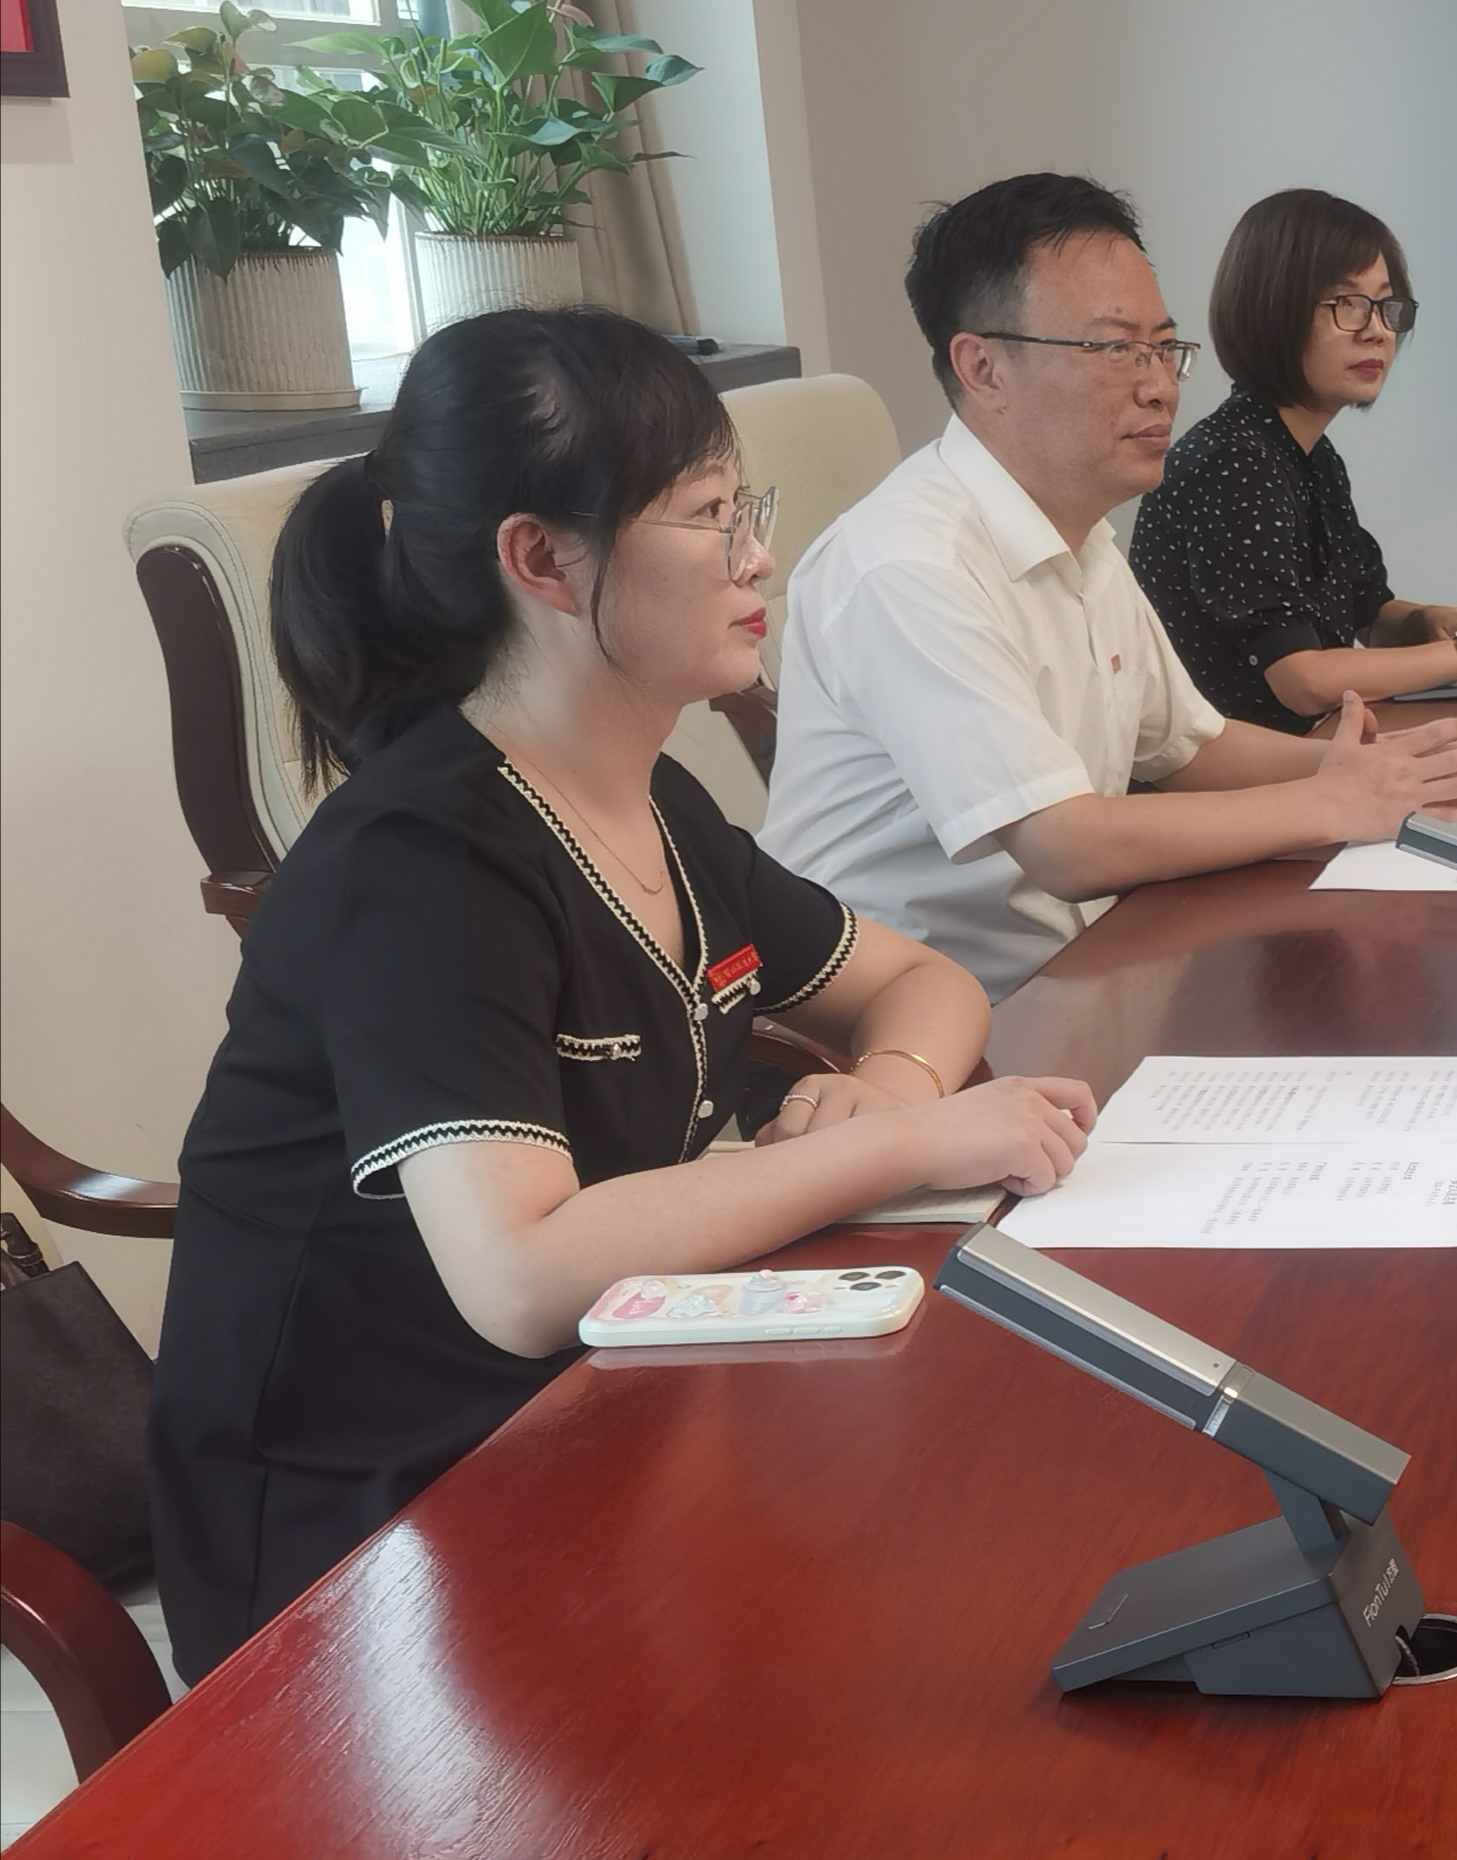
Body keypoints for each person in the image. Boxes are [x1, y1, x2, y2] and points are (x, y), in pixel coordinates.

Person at [152, 307, 1105, 1680]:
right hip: (368, 1547)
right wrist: (899, 1142)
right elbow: (520, 1273)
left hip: (599, 1408)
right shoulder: (422, 860)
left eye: (748, 509)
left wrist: (886, 1081)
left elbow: (918, 977)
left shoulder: (651, 801)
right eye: (711, 515)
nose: (758, 556)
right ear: (541, 558)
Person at [761, 175, 1457, 998]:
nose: (1160, 386)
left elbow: (1188, 749)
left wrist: (1356, 765)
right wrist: (1334, 801)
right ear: (983, 367)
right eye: (1114, 350)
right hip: (914, 1023)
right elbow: (1066, 844)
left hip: (1082, 972)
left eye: (1163, 348)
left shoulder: (1083, 539)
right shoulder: (908, 565)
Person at [1131, 188, 1457, 732]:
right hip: (1233, 774)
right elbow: (1303, 681)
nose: (1377, 330)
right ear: (1273, 310)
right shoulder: (1233, 463)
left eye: (1386, 306)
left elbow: (1368, 614)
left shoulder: (1308, 452)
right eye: (1347, 304)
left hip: (1307, 754)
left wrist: (1433, 620)